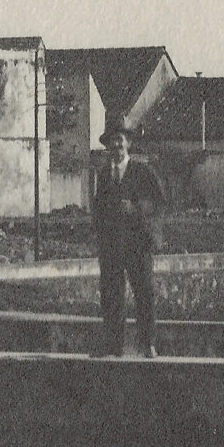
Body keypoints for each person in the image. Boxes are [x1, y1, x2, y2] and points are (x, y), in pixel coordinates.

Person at [90, 123, 168, 357]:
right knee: (111, 294)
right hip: (112, 245)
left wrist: (135, 208)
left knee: (144, 293)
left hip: (138, 243)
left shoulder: (143, 171)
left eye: (120, 140)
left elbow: (159, 202)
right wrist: (100, 233)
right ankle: (113, 345)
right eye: (112, 141)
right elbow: (98, 207)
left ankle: (148, 343)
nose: (116, 145)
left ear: (128, 143)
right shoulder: (104, 175)